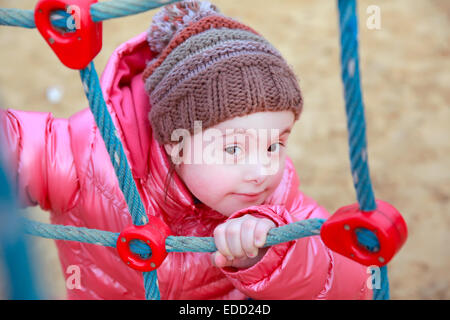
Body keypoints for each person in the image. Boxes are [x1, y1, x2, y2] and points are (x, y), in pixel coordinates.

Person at [0, 1, 371, 299]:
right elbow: (16, 148)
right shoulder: (92, 154)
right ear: (174, 140)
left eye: (275, 144)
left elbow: (357, 282)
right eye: (232, 149)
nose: (262, 170)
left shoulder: (276, 199)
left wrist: (275, 257)